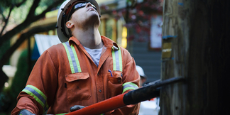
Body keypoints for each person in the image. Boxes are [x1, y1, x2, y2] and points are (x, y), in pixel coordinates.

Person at [11, 0, 140, 114]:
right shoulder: (54, 55)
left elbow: (132, 102)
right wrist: (25, 112)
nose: (89, 4)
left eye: (91, 5)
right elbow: (31, 99)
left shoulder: (123, 56)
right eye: (80, 5)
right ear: (69, 24)